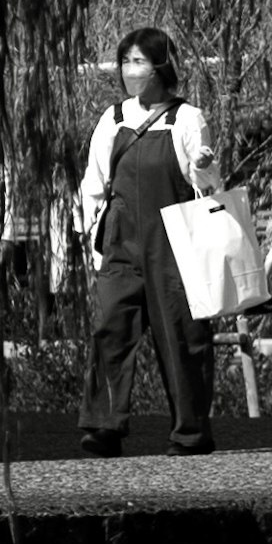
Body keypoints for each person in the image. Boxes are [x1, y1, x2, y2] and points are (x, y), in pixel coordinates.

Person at [77, 28, 218, 455]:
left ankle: (190, 433)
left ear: (161, 67)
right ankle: (104, 425)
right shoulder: (113, 119)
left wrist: (203, 166)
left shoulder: (187, 119)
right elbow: (94, 184)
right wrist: (90, 237)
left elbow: (208, 190)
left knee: (182, 335)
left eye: (138, 61)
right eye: (125, 61)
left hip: (173, 243)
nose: (129, 71)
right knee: (111, 328)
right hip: (121, 241)